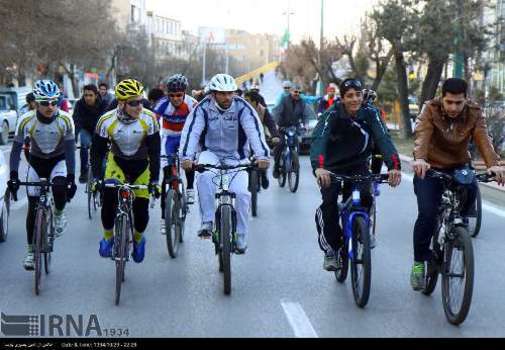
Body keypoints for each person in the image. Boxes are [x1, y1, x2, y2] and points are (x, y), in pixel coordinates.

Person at [410, 78, 505, 291]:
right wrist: (420, 158)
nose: (453, 107)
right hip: (429, 166)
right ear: (442, 98)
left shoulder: (474, 112)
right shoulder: (430, 109)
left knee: (471, 188)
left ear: (466, 100)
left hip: (459, 165)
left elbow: (483, 138)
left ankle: (457, 230)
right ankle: (418, 263)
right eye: (449, 102)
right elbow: (421, 135)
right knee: (427, 214)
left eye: (458, 103)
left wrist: (494, 165)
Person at [310, 78, 402, 270]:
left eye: (358, 95)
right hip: (331, 167)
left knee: (366, 196)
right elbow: (319, 139)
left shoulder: (371, 113)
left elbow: (383, 138)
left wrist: (394, 166)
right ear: (342, 98)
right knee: (329, 205)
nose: (355, 99)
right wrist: (319, 167)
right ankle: (331, 250)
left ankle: (363, 229)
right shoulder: (332, 114)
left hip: (358, 165)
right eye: (349, 96)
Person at [180, 74, 270, 254]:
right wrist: (186, 157)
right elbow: (192, 133)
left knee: (243, 194)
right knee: (205, 177)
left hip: (237, 157)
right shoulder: (203, 108)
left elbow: (254, 131)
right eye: (222, 93)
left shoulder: (243, 108)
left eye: (230, 93)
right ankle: (207, 221)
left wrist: (262, 156)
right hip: (210, 154)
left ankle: (241, 236)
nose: (227, 97)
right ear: (213, 94)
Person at [7, 80, 77, 270]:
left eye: (54, 102)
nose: (50, 107)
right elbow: (15, 151)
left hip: (58, 161)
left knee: (60, 187)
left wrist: (71, 176)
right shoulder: (26, 119)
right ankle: (30, 252)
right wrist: (13, 175)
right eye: (45, 103)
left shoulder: (65, 119)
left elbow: (71, 152)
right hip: (36, 163)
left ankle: (59, 214)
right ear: (36, 102)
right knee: (32, 208)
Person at [92, 79, 161, 264]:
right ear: (121, 103)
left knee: (141, 212)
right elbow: (97, 152)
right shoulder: (106, 120)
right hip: (117, 164)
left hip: (141, 166)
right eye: (133, 103)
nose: (139, 106)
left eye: (141, 101)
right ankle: (108, 236)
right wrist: (97, 178)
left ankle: (138, 239)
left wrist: (155, 180)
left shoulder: (150, 119)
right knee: (108, 200)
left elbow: (155, 152)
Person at [153, 74, 197, 205]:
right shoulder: (162, 103)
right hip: (169, 138)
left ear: (184, 93)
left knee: (188, 162)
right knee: (166, 175)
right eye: (172, 95)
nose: (175, 98)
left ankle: (190, 188)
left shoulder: (192, 104)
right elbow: (151, 122)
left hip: (185, 138)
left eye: (179, 95)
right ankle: (163, 218)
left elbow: (200, 123)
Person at [272, 84, 313, 179]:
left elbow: (305, 115)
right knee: (280, 143)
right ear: (291, 92)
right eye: (295, 92)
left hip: (294, 127)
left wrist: (306, 125)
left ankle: (294, 161)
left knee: (296, 141)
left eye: (299, 92)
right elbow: (277, 112)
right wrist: (276, 124)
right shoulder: (284, 100)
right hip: (282, 126)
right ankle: (276, 166)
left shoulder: (302, 102)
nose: (297, 94)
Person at [244, 90, 281, 190]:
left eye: (247, 100)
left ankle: (263, 174)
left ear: (255, 102)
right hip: (244, 139)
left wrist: (275, 136)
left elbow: (271, 124)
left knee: (263, 157)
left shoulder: (263, 111)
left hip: (260, 138)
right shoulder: (240, 110)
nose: (244, 102)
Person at [72, 84, 108, 183]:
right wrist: (74, 139)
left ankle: (102, 174)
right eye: (86, 95)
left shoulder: (104, 104)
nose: (88, 98)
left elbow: (105, 120)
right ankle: (84, 172)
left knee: (102, 155)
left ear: (96, 95)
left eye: (90, 95)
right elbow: (76, 121)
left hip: (100, 131)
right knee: (84, 144)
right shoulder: (79, 104)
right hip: (86, 130)